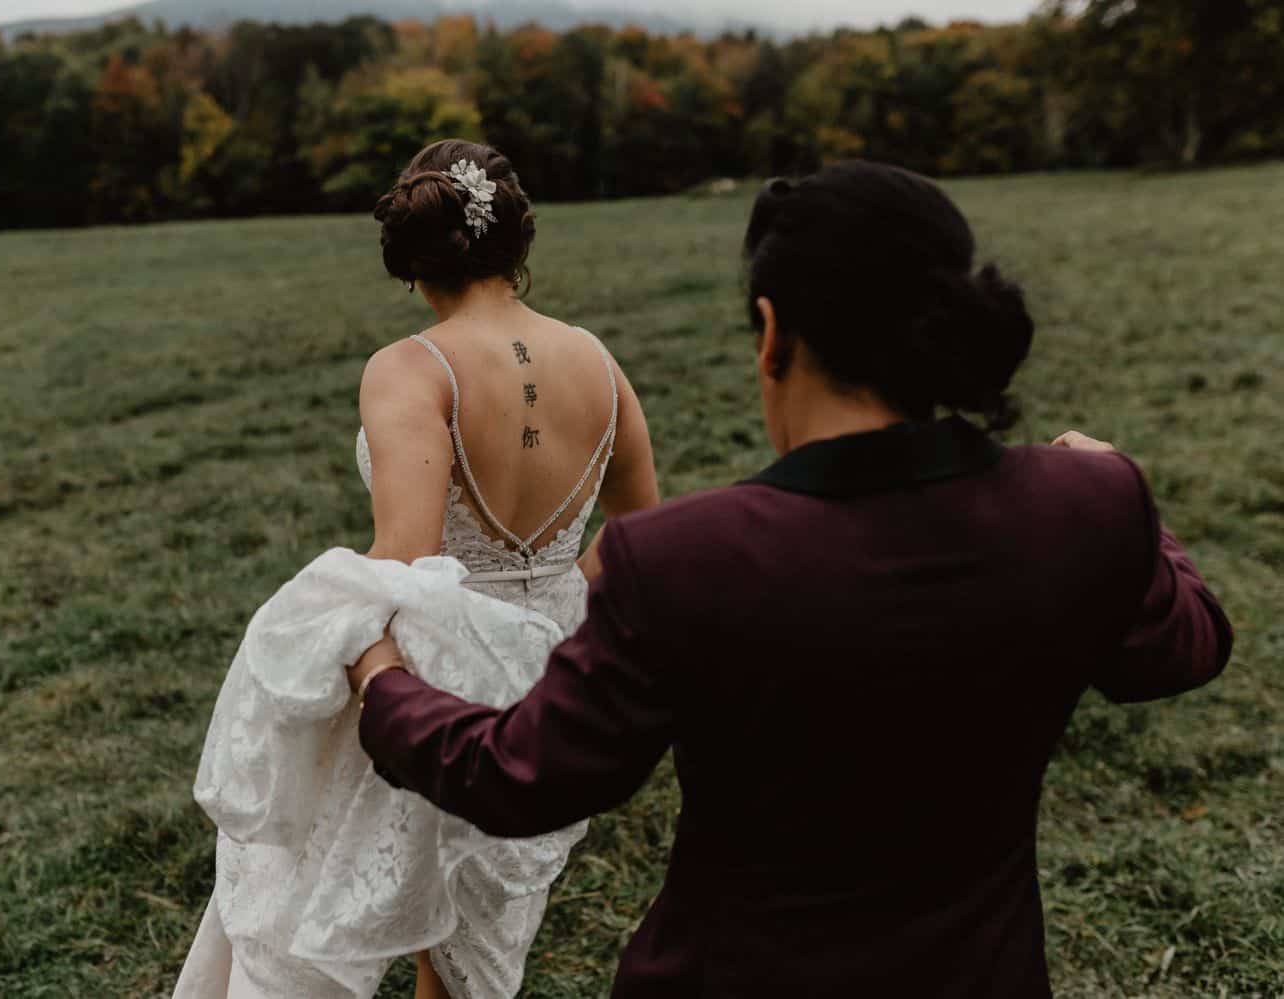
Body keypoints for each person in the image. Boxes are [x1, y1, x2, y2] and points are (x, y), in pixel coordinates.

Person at [348, 161, 1233, 997]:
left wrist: (382, 676)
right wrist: (1128, 492)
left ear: (772, 337)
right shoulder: (1088, 505)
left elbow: (516, 775)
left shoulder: (685, 561)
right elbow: (1186, 648)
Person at [175, 138, 660, 999]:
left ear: (410, 260)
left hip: (428, 671)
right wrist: (553, 603)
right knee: (472, 939)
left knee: (329, 900)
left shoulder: (410, 368)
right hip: (551, 668)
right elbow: (641, 530)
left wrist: (339, 641)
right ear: (519, 241)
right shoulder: (599, 360)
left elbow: (404, 559)